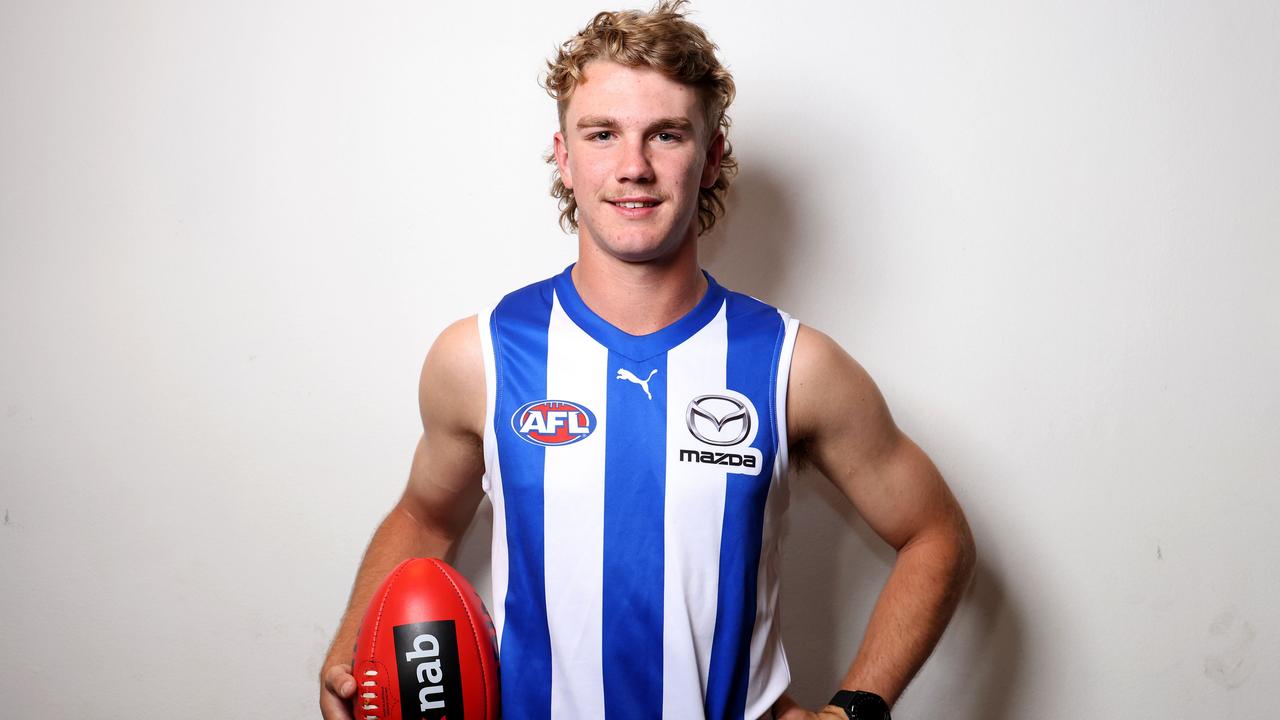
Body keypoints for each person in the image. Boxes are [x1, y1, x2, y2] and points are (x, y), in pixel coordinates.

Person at [319, 2, 975, 719]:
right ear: (565, 158)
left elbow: (936, 535)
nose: (633, 167)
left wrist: (854, 710)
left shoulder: (794, 365)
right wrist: (353, 649)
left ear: (713, 155)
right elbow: (423, 516)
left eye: (666, 134)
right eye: (602, 135)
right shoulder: (478, 356)